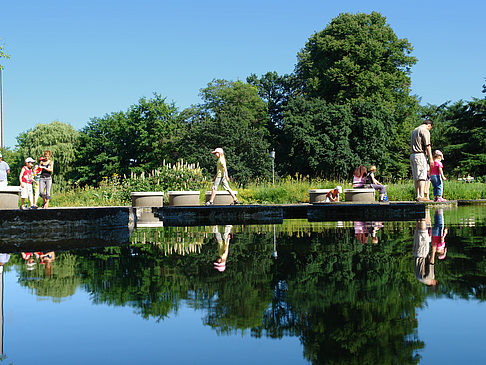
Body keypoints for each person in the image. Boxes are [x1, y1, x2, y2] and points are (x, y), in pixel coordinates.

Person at [410, 119, 434, 201]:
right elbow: (428, 145)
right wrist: (431, 159)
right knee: (422, 176)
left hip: (412, 155)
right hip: (420, 154)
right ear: (429, 125)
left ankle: (418, 195)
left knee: (416, 176)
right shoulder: (425, 130)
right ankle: (421, 195)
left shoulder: (414, 130)